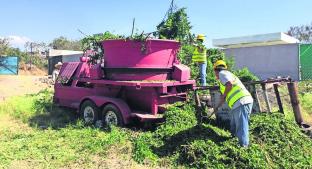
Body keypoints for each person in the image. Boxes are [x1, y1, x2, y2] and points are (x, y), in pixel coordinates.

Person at [213, 60, 253, 147]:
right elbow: (224, 97)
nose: (215, 75)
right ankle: (234, 142)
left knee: (241, 126)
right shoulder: (226, 76)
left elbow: (229, 85)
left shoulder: (222, 73)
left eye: (214, 72)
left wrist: (223, 95)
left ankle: (244, 147)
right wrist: (218, 106)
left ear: (216, 70)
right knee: (234, 126)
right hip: (239, 103)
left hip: (241, 101)